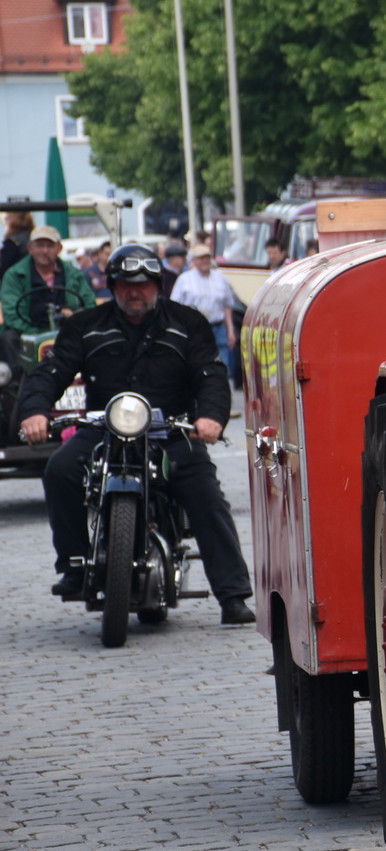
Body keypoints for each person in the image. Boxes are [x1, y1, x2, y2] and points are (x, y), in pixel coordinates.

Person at [15, 244, 254, 624]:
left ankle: (233, 594)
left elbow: (211, 375)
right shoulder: (84, 326)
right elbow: (52, 370)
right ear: (112, 286)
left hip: (170, 432)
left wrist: (210, 417)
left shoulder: (187, 323)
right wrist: (34, 412)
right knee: (60, 470)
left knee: (205, 492)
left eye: (143, 284)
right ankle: (75, 564)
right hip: (104, 430)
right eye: (126, 284)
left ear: (158, 285)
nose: (135, 292)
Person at [0, 226, 97, 373]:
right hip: (27, 332)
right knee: (8, 338)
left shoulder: (74, 275)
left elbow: (90, 306)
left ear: (59, 248)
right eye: (39, 245)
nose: (45, 251)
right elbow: (12, 315)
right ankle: (15, 384)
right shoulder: (14, 275)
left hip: (67, 331)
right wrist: (35, 334)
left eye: (50, 246)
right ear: (30, 248)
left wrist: (75, 315)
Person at [170, 244, 240, 378]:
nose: (204, 261)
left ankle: (221, 389)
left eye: (207, 258)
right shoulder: (184, 279)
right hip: (194, 329)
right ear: (194, 261)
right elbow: (174, 307)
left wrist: (230, 330)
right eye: (201, 258)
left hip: (217, 326)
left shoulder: (220, 277)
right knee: (196, 362)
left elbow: (227, 305)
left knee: (222, 363)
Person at [2, 211, 35, 276]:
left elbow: (5, 267)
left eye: (8, 217)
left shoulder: (12, 242)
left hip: (16, 278)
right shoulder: (33, 237)